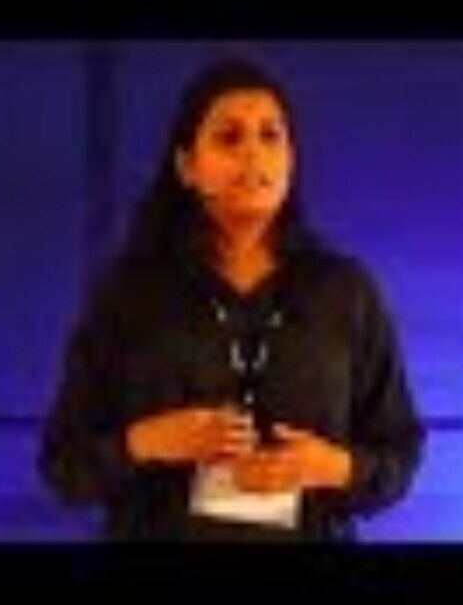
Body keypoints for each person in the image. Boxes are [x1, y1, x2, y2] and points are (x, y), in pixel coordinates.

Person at [38, 55, 425, 542]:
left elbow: (399, 452)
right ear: (187, 166)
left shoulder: (345, 292)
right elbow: (64, 466)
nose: (253, 153)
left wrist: (334, 467)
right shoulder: (128, 293)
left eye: (271, 136)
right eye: (229, 137)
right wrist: (147, 441)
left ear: (291, 160)